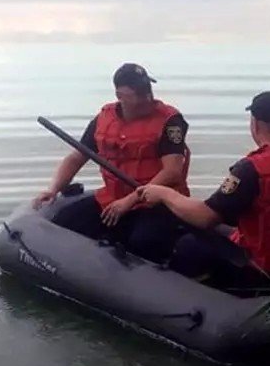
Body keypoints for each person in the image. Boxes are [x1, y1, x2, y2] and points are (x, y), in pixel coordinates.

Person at [137, 91, 270, 295]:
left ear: (255, 124)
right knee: (224, 229)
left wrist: (164, 194)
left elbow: (204, 218)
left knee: (188, 245)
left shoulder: (250, 169)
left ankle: (189, 298)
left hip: (263, 274)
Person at [33, 63, 189, 263]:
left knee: (143, 242)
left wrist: (129, 201)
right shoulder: (104, 119)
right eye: (138, 93)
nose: (147, 98)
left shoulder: (170, 121)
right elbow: (76, 157)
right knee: (64, 222)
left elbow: (172, 171)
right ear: (119, 95)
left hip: (157, 204)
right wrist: (53, 189)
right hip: (112, 198)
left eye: (147, 90)